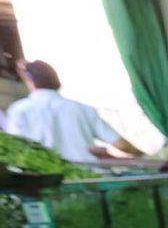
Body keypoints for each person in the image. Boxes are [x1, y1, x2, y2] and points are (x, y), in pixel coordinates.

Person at [5, 60, 143, 161]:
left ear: (30, 81)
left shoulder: (19, 111)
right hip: (89, 178)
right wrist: (143, 155)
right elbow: (119, 143)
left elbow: (14, 149)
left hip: (44, 182)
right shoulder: (82, 109)